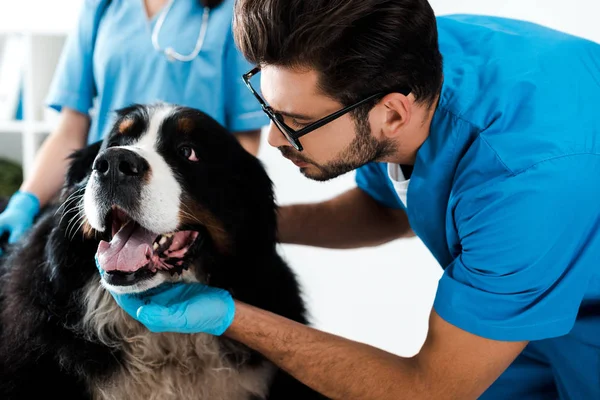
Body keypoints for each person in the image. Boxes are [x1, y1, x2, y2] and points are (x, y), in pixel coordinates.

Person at [107, 0, 600, 398]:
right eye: (269, 107)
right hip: (529, 299)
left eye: (296, 123)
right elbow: (386, 211)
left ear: (392, 115)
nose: (275, 141)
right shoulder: (397, 58)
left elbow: (429, 388)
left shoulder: (524, 179)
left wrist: (232, 316)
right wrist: (243, 223)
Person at [0, 0, 267, 253]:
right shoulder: (102, 6)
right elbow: (70, 131)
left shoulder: (234, 11)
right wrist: (26, 201)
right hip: (108, 190)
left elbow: (242, 146)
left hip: (180, 211)